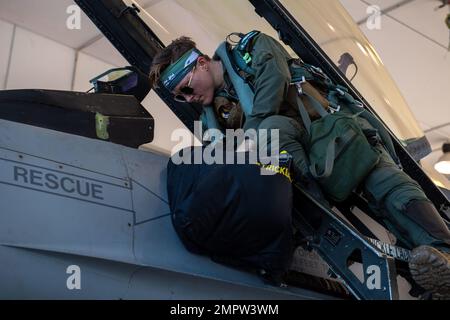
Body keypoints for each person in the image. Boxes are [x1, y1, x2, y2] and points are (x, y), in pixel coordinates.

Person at [149, 32, 450, 298]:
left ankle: (444, 256)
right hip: (298, 173)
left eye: (187, 87)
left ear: (201, 62)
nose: (189, 98)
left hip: (333, 136)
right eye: (181, 97)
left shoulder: (251, 49)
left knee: (391, 186)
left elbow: (274, 81)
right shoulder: (212, 121)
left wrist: (248, 140)